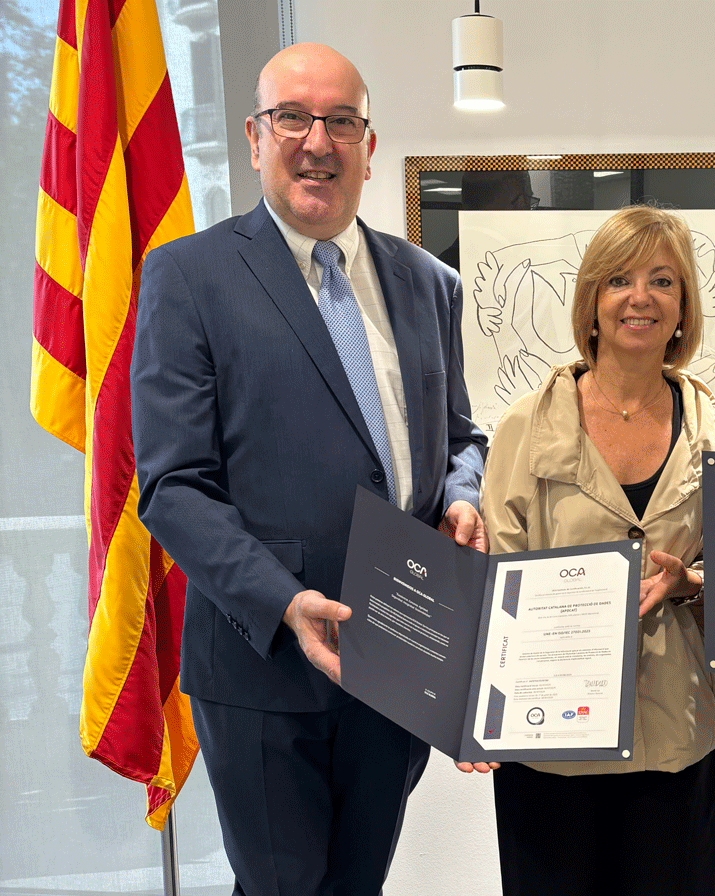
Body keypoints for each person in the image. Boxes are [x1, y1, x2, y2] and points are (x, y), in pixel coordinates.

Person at [131, 43, 487, 894]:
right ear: (256, 136)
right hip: (263, 665)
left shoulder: (429, 282)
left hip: (399, 655)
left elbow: (463, 434)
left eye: (342, 120)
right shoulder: (188, 275)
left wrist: (464, 493)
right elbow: (172, 485)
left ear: (370, 144)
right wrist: (283, 600)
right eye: (293, 116)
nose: (317, 140)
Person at [471, 204, 715, 895]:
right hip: (550, 747)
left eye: (663, 281)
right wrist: (476, 716)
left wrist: (692, 581)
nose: (641, 297)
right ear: (592, 299)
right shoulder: (523, 427)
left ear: (684, 308)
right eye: (619, 279)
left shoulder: (713, 427)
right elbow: (494, 586)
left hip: (673, 741)